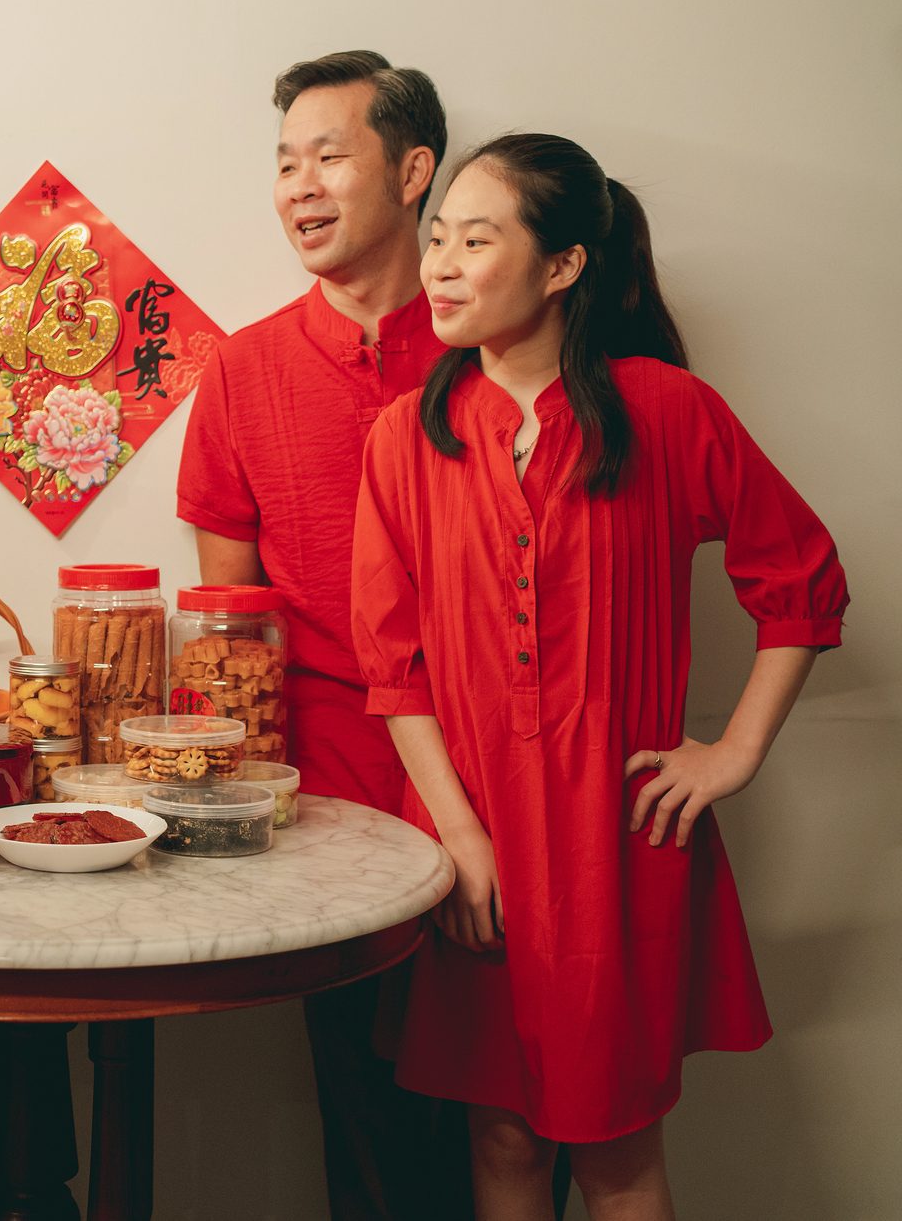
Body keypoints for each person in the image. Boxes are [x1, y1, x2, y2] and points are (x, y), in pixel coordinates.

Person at [353, 133, 847, 1219]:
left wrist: (730, 754)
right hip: (469, 832)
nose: (437, 263)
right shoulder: (404, 437)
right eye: (434, 236)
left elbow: (801, 582)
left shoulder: (665, 411)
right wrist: (457, 835)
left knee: (617, 1151)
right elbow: (393, 672)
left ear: (562, 264)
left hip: (615, 840)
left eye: (472, 240)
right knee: (501, 1137)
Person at [176, 51, 472, 1218]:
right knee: (369, 1095)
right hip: (337, 784)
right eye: (283, 162)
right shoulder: (241, 370)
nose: (298, 185)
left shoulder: (493, 348)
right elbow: (229, 632)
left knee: (517, 1098)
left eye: (328, 156)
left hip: (502, 764)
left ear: (411, 172)